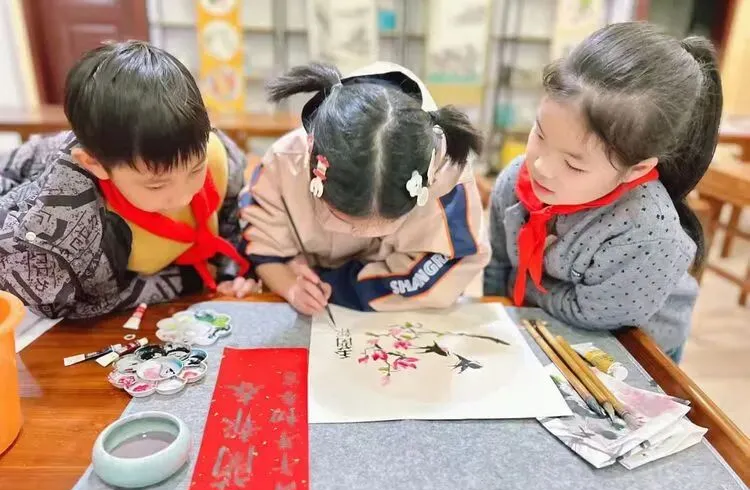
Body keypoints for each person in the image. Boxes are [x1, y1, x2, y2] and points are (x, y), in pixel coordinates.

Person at [484, 22, 722, 362]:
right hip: (544, 324)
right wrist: (496, 317)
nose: (540, 167)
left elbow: (596, 315)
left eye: (574, 164)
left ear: (637, 169)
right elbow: (497, 262)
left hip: (635, 345)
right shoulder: (514, 180)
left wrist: (521, 290)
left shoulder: (647, 229)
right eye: (539, 134)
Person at [0, 41, 256, 319]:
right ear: (94, 164)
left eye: (196, 170)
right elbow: (64, 304)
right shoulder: (52, 232)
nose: (184, 196)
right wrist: (183, 280)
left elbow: (232, 214)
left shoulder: (214, 151)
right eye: (157, 184)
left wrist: (231, 271)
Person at [239, 61, 489, 315]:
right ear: (315, 167)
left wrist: (336, 284)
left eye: (386, 224)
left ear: (421, 189)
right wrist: (289, 283)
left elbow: (450, 265)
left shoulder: (446, 180)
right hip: (306, 299)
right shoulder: (283, 163)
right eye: (342, 218)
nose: (360, 233)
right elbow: (263, 245)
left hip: (393, 306)